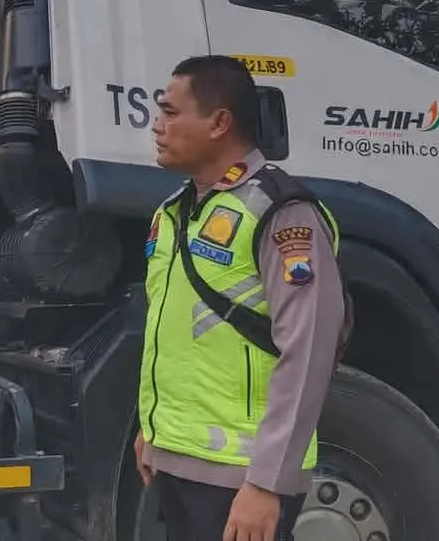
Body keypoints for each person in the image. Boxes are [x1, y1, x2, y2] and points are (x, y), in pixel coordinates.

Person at [135, 55, 347, 541]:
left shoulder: (282, 212)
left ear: (219, 123)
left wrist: (268, 483)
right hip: (179, 462)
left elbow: (309, 350)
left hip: (242, 477)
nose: (158, 126)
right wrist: (155, 428)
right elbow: (172, 335)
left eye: (170, 112)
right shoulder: (174, 212)